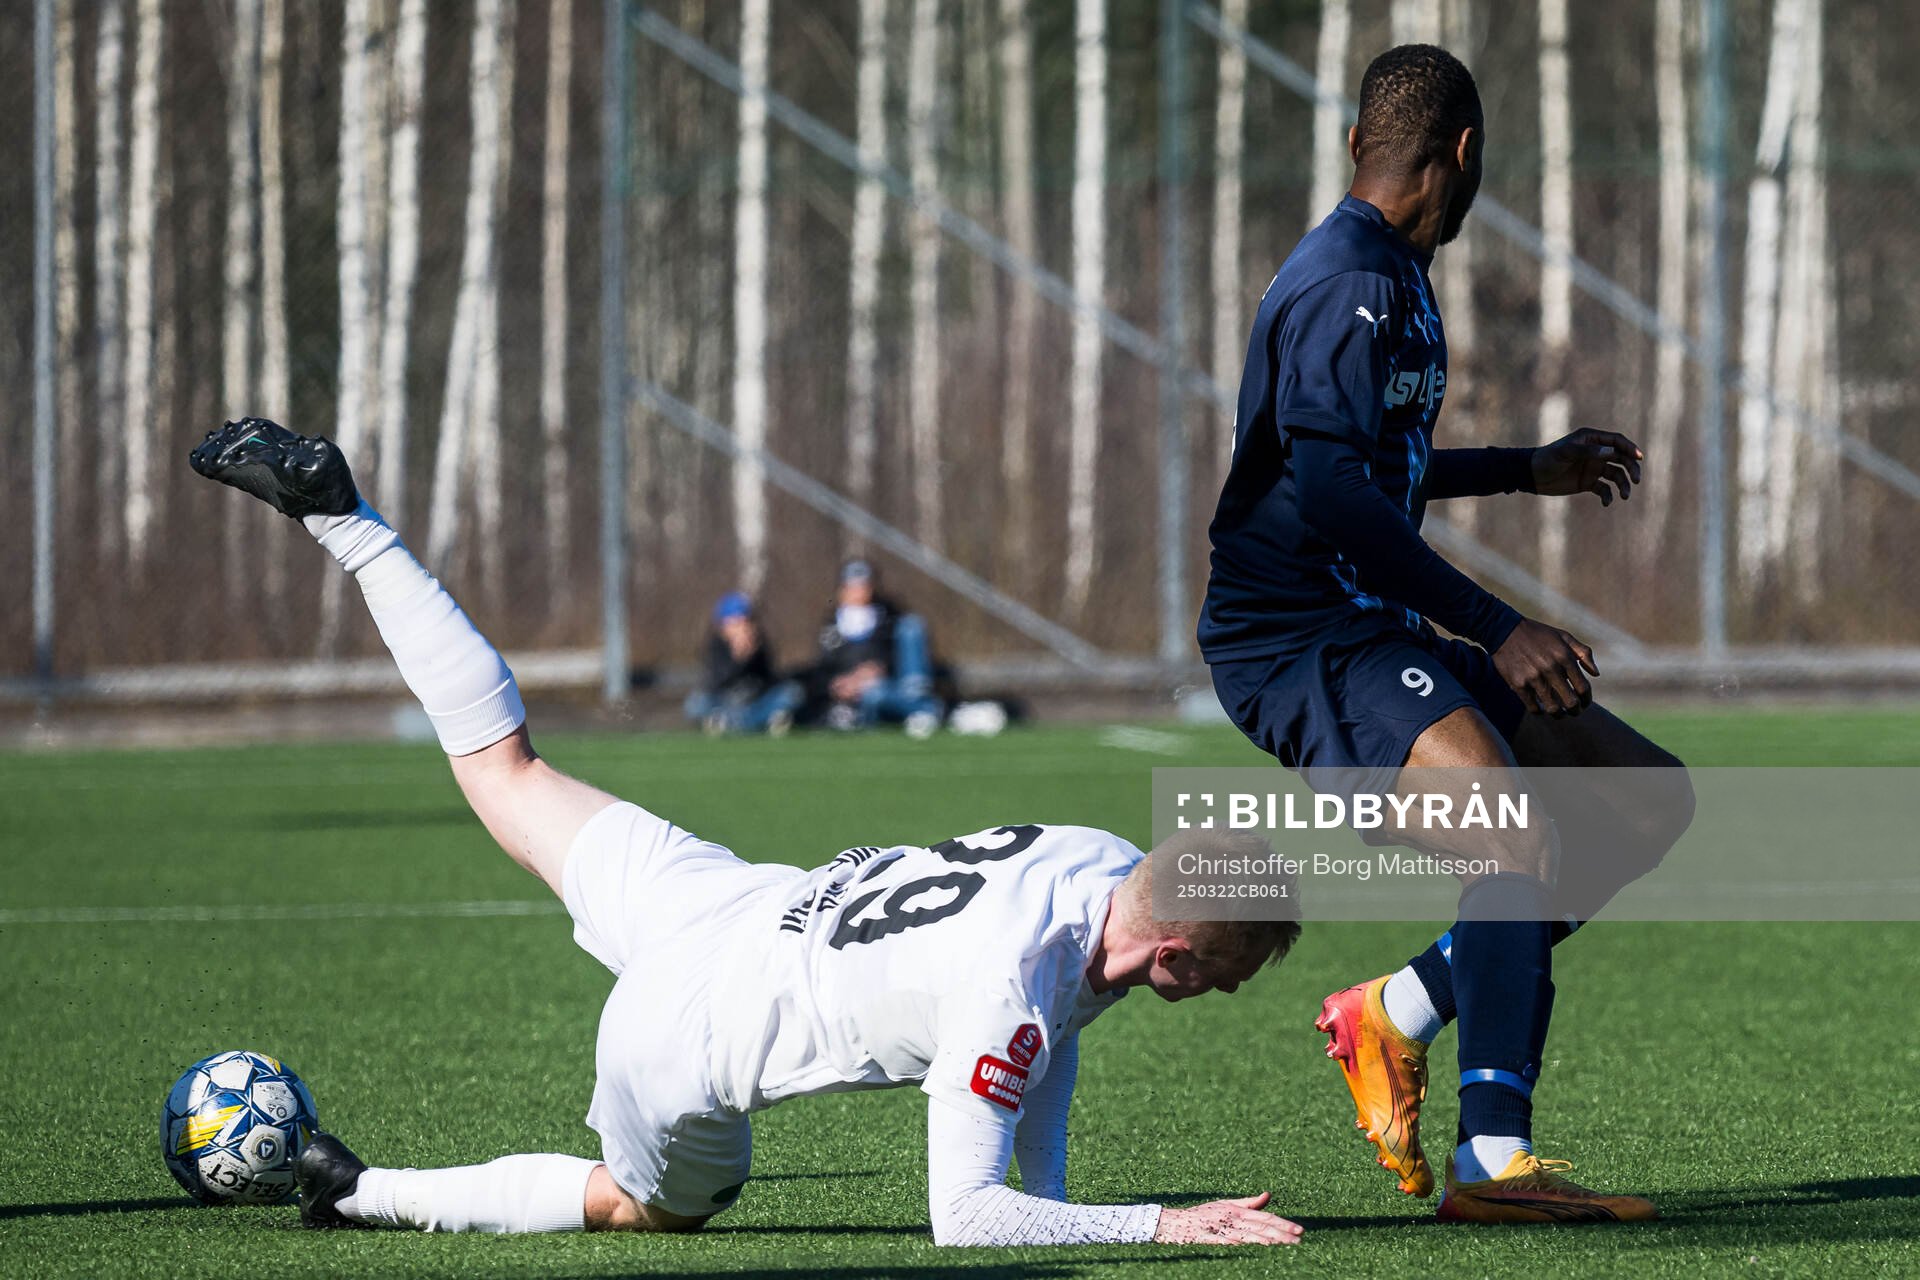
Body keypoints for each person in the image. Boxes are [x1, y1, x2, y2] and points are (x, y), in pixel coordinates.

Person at [189, 418, 1305, 1247]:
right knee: (645, 1207)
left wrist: (1056, 1198)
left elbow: (1072, 1004)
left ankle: (346, 522)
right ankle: (360, 1188)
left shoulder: (1106, 861)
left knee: (503, 763)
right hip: (684, 1032)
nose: (1219, 990)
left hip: (728, 896)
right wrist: (1161, 1223)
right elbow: (964, 1216)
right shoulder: (1011, 983)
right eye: (1219, 973)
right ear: (1171, 953)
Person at [1198, 46, 1694, 1222]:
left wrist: (1526, 470)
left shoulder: (1395, 272)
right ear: (1463, 152)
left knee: (1643, 798)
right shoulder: (1344, 284)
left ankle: (1399, 1010)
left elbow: (1374, 469)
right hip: (1302, 643)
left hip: (1366, 622)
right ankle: (1494, 1163)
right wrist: (1497, 622)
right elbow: (1331, 499)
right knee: (1511, 840)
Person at [808, 559, 943, 737]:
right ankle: (924, 710)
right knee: (873, 696)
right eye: (853, 586)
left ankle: (917, 703)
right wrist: (843, 683)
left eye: (864, 586)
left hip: (889, 685)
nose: (859, 592)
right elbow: (823, 670)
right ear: (843, 589)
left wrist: (877, 669)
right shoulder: (831, 628)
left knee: (912, 627)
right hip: (858, 696)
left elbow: (898, 656)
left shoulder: (889, 617)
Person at [684, 591, 801, 735]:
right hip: (726, 704)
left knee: (791, 692)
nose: (742, 627)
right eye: (736, 621)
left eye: (746, 621)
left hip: (754, 704)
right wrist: (738, 658)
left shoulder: (760, 644)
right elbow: (716, 682)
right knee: (696, 703)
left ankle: (757, 721)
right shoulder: (716, 646)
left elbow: (769, 679)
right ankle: (725, 722)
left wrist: (753, 654)